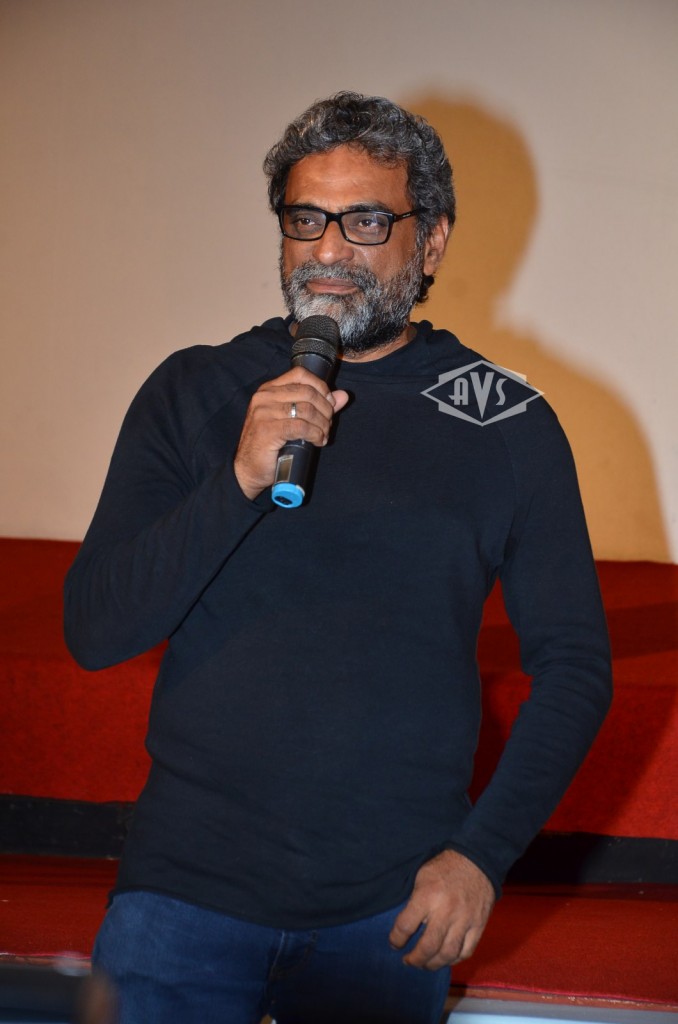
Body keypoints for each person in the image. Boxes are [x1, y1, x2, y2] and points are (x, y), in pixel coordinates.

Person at [64, 92, 612, 1024]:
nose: (327, 250)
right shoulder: (196, 388)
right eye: (305, 219)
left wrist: (481, 857)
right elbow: (94, 630)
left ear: (430, 242)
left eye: (364, 222)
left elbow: (575, 667)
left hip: (390, 912)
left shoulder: (505, 421)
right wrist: (238, 479)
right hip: (182, 897)